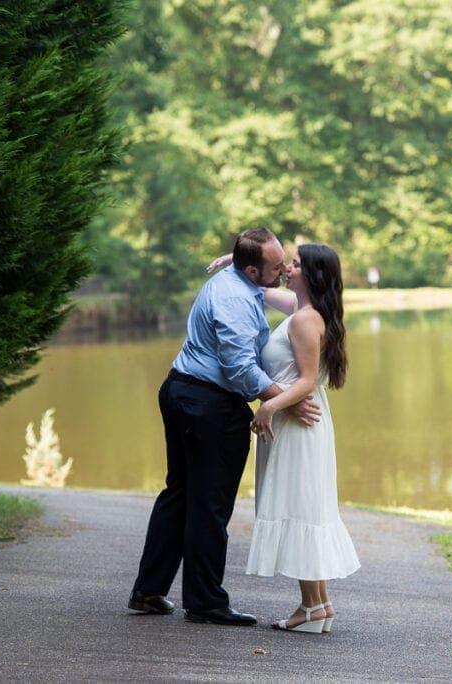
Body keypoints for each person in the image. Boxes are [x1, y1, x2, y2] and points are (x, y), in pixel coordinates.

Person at [128, 227, 320, 627]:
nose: (284, 269)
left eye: (286, 261)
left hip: (182, 390)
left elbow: (265, 285)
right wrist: (284, 399)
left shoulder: (234, 281)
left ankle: (149, 591)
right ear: (253, 270)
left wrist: (238, 260)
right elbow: (239, 367)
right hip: (208, 405)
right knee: (209, 506)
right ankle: (205, 602)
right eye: (275, 265)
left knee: (179, 495)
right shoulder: (235, 298)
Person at [210, 243, 360, 633]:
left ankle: (311, 606)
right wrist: (237, 263)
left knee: (300, 509)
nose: (287, 268)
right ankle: (319, 604)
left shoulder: (304, 320)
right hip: (304, 423)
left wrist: (269, 408)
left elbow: (307, 381)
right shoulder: (303, 312)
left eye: (294, 264)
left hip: (298, 426)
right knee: (304, 508)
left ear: (310, 275)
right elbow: (263, 291)